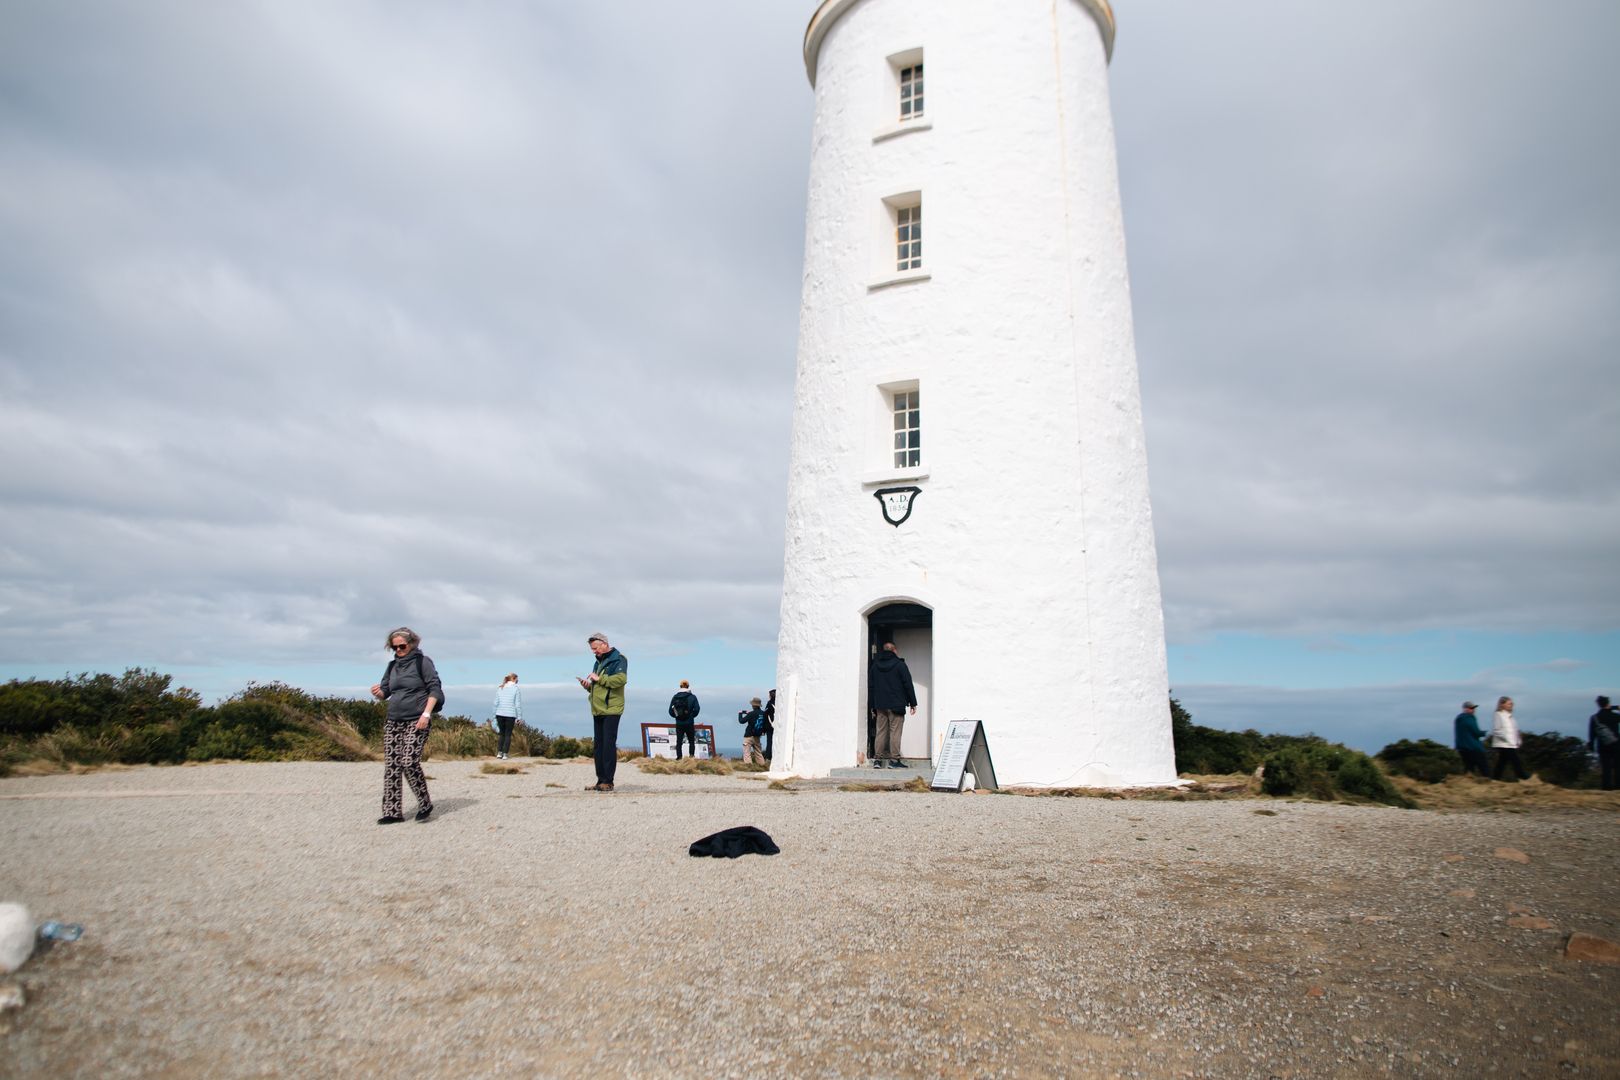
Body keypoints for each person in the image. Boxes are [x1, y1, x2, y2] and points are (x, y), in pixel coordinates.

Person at [369, 626, 440, 823]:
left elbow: (435, 688)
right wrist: (378, 693)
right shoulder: (392, 666)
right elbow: (385, 692)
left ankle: (424, 803)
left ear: (412, 644)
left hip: (417, 719)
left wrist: (426, 714)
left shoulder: (422, 662)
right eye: (395, 647)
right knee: (392, 765)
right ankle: (392, 812)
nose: (399, 650)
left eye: (402, 646)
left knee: (408, 761)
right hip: (393, 720)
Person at [577, 632, 628, 792]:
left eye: (595, 648)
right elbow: (598, 686)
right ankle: (600, 781)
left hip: (611, 708)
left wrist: (600, 679)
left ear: (604, 644)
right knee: (598, 746)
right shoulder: (598, 663)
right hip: (597, 708)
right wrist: (589, 686)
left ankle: (608, 781)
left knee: (608, 744)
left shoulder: (619, 659)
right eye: (592, 649)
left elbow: (621, 680)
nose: (594, 651)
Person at [867, 641, 916, 769]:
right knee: (895, 732)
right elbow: (908, 684)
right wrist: (913, 703)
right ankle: (894, 761)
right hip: (896, 704)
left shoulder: (875, 666)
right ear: (894, 650)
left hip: (880, 705)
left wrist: (873, 705)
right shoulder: (900, 665)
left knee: (880, 731)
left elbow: (871, 687)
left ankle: (877, 760)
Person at [1490, 695, 1529, 781]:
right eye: (1509, 704)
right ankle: (1523, 776)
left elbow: (1515, 731)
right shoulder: (1498, 714)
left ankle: (1495, 778)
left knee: (1502, 762)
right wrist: (1507, 740)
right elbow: (1497, 730)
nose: (1511, 705)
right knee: (1515, 760)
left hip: (1510, 744)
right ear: (1502, 704)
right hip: (1504, 744)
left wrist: (1518, 740)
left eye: (1511, 704)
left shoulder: (1510, 717)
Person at [1589, 695, 1620, 791]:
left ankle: (1606, 787)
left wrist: (1591, 745)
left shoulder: (1594, 717)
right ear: (1608, 703)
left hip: (1602, 745)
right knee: (1618, 766)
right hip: (1616, 744)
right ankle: (1618, 786)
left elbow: (1592, 733)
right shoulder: (1615, 716)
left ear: (1598, 704)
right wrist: (1615, 708)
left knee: (1606, 767)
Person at [1454, 701, 1489, 777]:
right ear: (1465, 709)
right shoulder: (1469, 718)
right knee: (1483, 766)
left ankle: (1467, 784)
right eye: (1471, 708)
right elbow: (1476, 732)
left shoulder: (1458, 719)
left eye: (1473, 708)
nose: (1473, 710)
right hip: (1473, 747)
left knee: (1469, 768)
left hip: (1462, 748)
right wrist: (1483, 733)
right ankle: (1488, 781)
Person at [669, 680, 701, 760]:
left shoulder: (675, 697)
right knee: (691, 741)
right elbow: (697, 709)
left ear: (680, 686)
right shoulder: (692, 697)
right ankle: (691, 757)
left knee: (679, 741)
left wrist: (677, 716)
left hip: (679, 723)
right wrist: (691, 716)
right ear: (688, 686)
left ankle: (679, 757)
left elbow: (670, 711)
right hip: (689, 722)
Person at [493, 673, 522, 760]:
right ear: (513, 679)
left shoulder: (500, 688)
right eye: (517, 679)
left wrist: (494, 715)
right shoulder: (516, 689)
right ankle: (505, 754)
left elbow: (495, 703)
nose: (518, 681)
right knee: (508, 734)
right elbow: (517, 704)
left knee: (502, 734)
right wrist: (519, 717)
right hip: (510, 714)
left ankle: (499, 753)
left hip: (499, 714)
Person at [738, 697, 769, 765]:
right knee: (758, 753)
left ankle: (749, 767)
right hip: (757, 736)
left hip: (748, 736)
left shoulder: (751, 714)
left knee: (747, 753)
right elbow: (766, 724)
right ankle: (762, 766)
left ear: (753, 705)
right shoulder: (763, 714)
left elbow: (741, 721)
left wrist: (740, 714)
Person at [763, 688, 777, 761]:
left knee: (769, 742)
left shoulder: (769, 703)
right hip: (778, 727)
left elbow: (765, 715)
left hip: (770, 726)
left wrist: (763, 729)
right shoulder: (780, 703)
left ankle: (768, 758)